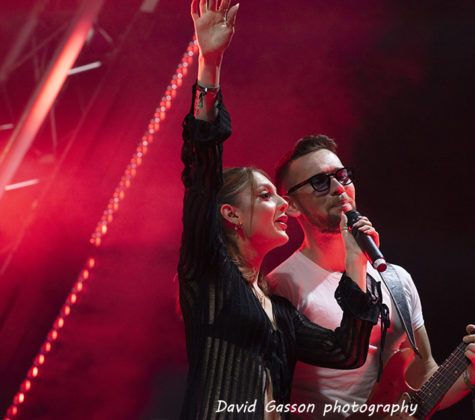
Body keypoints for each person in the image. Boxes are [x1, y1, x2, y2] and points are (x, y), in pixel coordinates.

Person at [177, 1, 388, 419]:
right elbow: (201, 169)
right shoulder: (209, 273)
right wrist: (210, 64)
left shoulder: (279, 310)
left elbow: (346, 351)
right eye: (266, 195)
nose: (282, 206)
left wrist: (355, 261)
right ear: (231, 215)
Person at [267, 135, 475, 418]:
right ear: (291, 205)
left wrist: (472, 377)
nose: (339, 188)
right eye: (320, 182)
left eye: (342, 176)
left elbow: (424, 376)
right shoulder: (280, 285)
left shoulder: (396, 279)